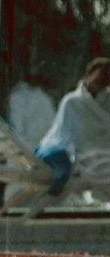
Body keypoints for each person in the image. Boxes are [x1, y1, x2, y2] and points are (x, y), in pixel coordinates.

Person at [35, 57, 110, 195]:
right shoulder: (71, 101)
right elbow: (61, 134)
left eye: (104, 83)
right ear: (88, 74)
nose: (99, 86)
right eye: (97, 81)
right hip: (82, 156)